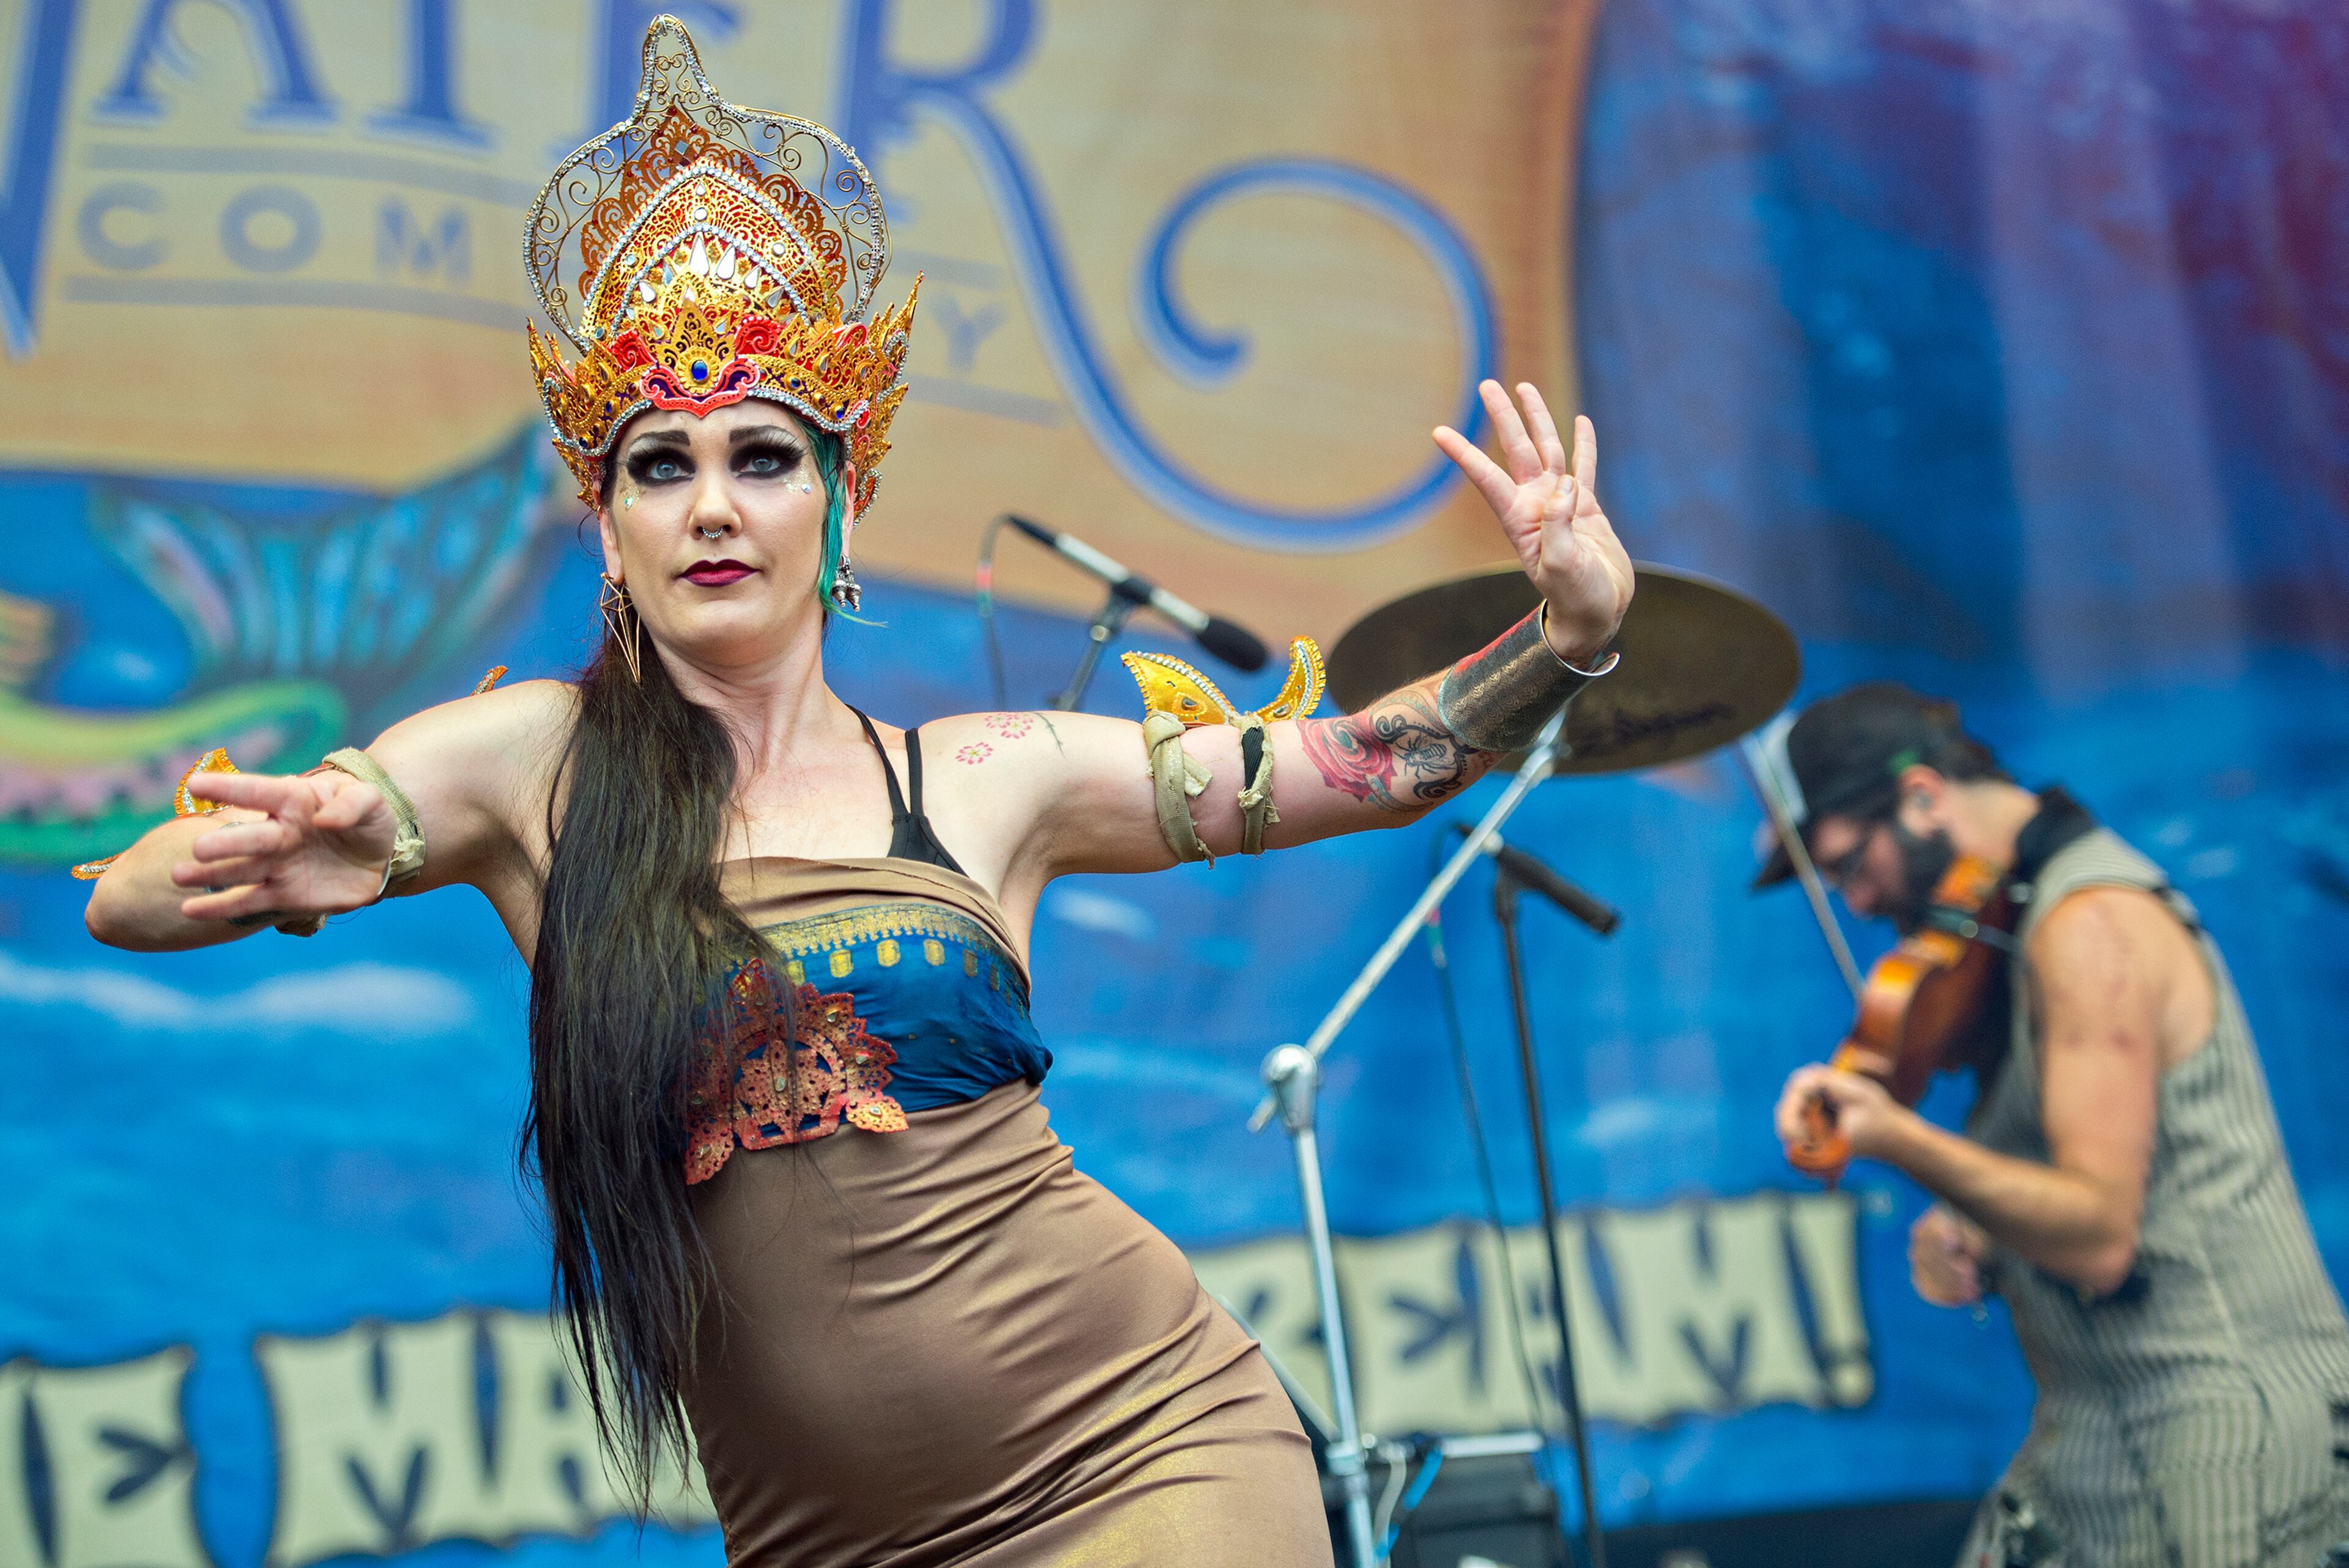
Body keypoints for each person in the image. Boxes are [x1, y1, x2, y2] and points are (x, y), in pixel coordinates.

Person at [78, 19, 1635, 1568]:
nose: (710, 507)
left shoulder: (985, 778)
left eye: (760, 457)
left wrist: (1565, 635)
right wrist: (297, 852)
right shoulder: (524, 767)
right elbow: (127, 901)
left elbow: (1343, 769)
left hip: (1152, 1457)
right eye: (658, 466)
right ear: (605, 522)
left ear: (837, 499)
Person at [1760, 683, 2349, 1566]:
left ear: (1923, 796)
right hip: (2098, 1429)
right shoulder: (2011, 925)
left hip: (2227, 1424)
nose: (1856, 901)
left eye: (1851, 865)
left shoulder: (2089, 929)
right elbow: (2107, 1174)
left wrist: (1899, 1139)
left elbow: (2101, 1234)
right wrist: (1979, 1226)